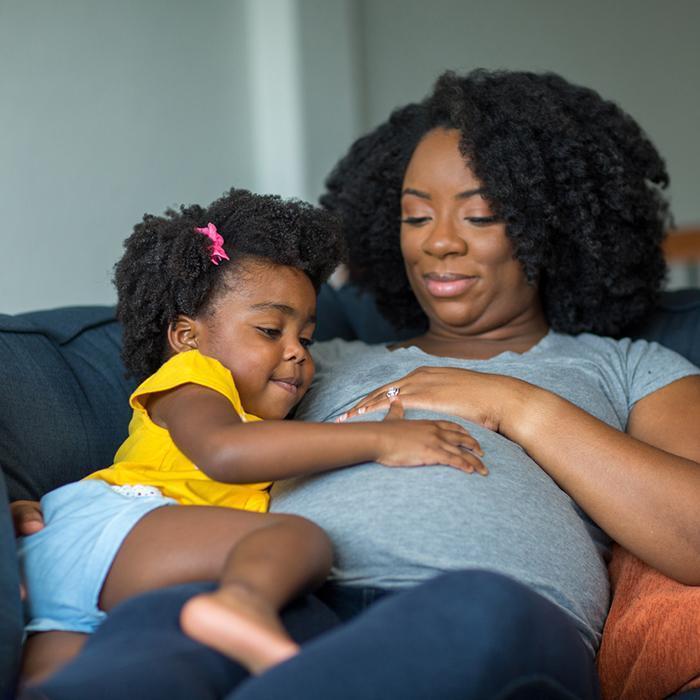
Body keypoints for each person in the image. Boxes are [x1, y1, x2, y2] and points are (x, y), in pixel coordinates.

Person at [14, 69, 700, 700]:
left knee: (478, 609)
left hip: (488, 612)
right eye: (415, 214)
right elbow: (173, 452)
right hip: (279, 597)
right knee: (167, 620)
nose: (439, 243)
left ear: (552, 224)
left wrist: (514, 404)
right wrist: (36, 516)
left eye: (480, 214)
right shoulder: (302, 357)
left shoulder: (626, 367)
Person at [15, 187, 482, 686]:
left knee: (60, 687)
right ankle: (243, 601)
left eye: (305, 337)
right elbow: (225, 453)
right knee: (294, 538)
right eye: (268, 330)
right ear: (187, 337)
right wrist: (380, 441)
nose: (298, 352)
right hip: (118, 523)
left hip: (84, 584)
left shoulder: (262, 416)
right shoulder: (193, 380)